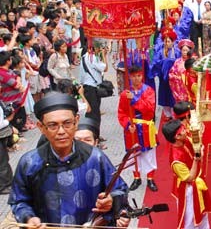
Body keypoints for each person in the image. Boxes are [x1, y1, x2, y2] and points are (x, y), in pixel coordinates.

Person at [8, 92, 129, 227]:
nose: (61, 131)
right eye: (53, 125)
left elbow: (120, 189)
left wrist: (111, 200)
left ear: (76, 121)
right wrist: (29, 218)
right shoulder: (30, 162)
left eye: (67, 123)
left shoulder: (95, 157)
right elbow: (19, 201)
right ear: (41, 127)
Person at [163, 119, 211, 229]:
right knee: (190, 218)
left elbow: (197, 146)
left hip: (198, 182)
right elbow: (189, 178)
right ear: (177, 136)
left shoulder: (185, 140)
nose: (186, 131)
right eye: (183, 130)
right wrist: (196, 160)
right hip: (188, 190)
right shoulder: (176, 160)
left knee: (203, 214)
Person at [118, 65, 159, 192]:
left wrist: (134, 99)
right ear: (129, 77)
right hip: (132, 128)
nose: (136, 79)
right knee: (134, 154)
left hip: (146, 127)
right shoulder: (125, 94)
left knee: (149, 154)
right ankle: (136, 177)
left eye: (139, 76)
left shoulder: (149, 91)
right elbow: (121, 113)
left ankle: (150, 179)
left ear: (142, 76)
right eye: (134, 76)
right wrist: (127, 125)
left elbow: (149, 109)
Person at [80, 38, 108, 127]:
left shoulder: (84, 57)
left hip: (87, 86)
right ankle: (94, 134)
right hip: (92, 87)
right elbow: (105, 68)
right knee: (94, 113)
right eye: (97, 48)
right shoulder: (92, 58)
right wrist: (104, 56)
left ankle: (93, 134)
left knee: (92, 112)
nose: (99, 50)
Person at [169, 39, 195, 103]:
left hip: (190, 86)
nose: (185, 52)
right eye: (183, 50)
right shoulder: (177, 62)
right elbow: (171, 74)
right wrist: (178, 78)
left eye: (186, 50)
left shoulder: (193, 61)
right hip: (180, 88)